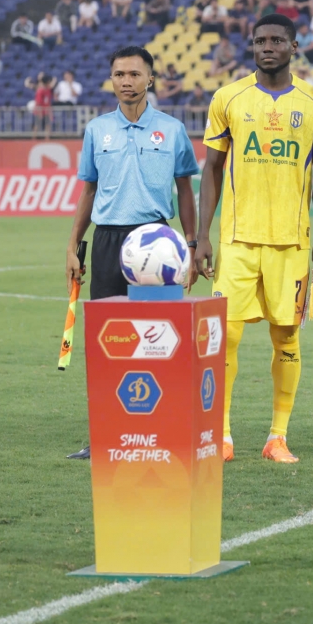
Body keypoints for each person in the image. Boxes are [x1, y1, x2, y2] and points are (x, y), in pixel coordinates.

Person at [197, 14, 313, 464]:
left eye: (277, 40)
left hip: (292, 244)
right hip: (237, 239)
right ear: (251, 46)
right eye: (260, 40)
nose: (267, 47)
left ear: (294, 46)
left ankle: (278, 437)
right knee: (226, 338)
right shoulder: (228, 97)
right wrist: (202, 236)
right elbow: (212, 170)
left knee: (287, 337)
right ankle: (222, 435)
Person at [65, 46, 201, 460]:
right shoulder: (96, 130)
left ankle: (161, 428)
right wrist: (72, 246)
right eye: (119, 74)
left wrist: (191, 246)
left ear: (150, 79)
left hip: (158, 244)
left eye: (134, 74)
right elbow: (88, 190)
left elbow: (185, 190)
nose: (127, 81)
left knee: (160, 340)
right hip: (107, 241)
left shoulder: (173, 130)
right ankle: (105, 433)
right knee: (108, 342)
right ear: (112, 80)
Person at [32, 74, 55, 139]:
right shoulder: (40, 91)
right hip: (40, 110)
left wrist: (50, 111)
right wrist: (39, 112)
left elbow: (49, 101)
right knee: (37, 124)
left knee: (47, 125)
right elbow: (38, 102)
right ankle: (34, 138)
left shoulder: (48, 90)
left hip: (46, 110)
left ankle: (47, 138)